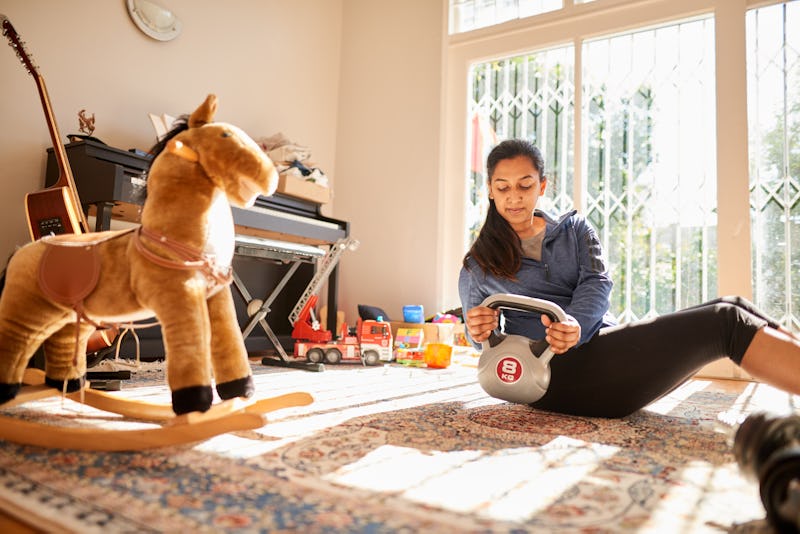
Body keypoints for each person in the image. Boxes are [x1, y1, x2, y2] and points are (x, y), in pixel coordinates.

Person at [459, 138, 800, 418]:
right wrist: (480, 332)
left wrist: (575, 327)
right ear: (490, 189)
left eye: (525, 185)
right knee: (727, 323)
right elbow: (482, 345)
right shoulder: (477, 264)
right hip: (548, 375)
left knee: (733, 304)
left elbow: (597, 284)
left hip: (597, 350)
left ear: (542, 185)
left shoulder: (575, 231)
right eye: (503, 187)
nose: (514, 196)